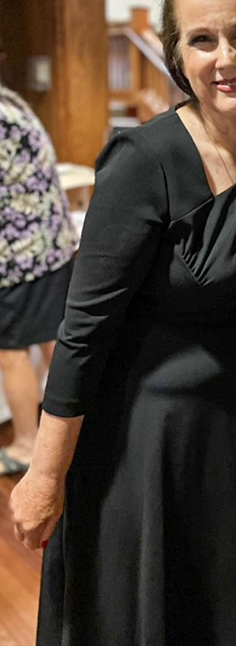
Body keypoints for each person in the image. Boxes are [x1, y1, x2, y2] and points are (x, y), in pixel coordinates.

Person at [9, 0, 236, 646]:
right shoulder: (144, 160)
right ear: (177, 55)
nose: (225, 57)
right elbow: (83, 331)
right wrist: (44, 473)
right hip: (150, 447)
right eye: (202, 40)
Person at [0, 72, 77, 475]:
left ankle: (27, 443)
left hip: (21, 251)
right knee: (53, 340)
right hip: (50, 241)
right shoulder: (9, 102)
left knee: (12, 352)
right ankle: (78, 427)